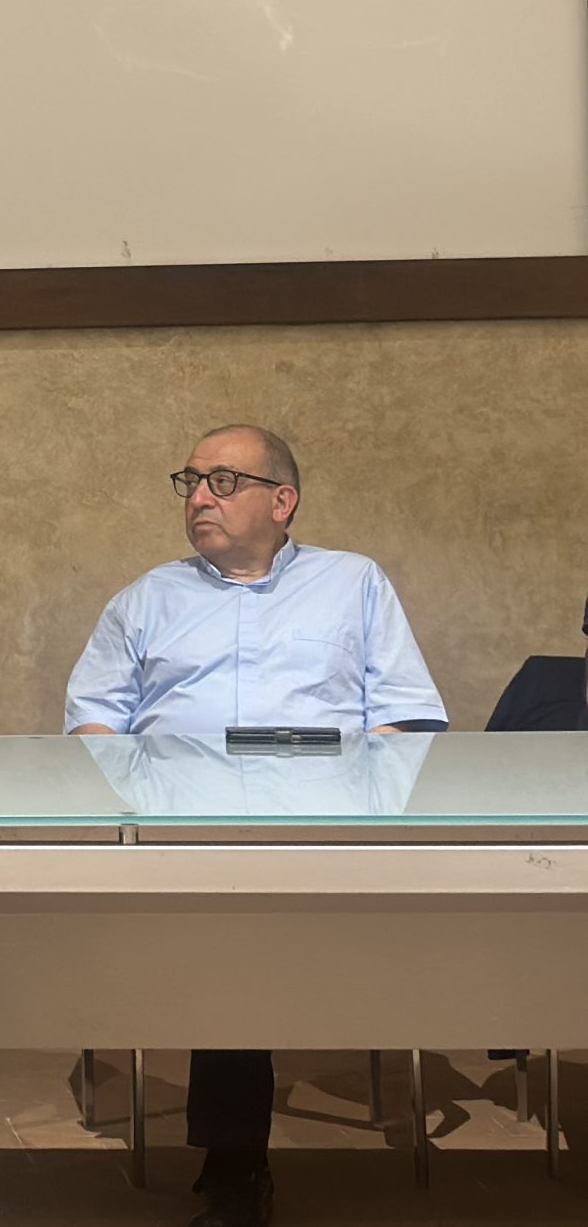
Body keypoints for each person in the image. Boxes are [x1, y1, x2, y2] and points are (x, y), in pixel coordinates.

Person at [65, 424, 447, 1227]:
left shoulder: (354, 583)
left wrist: (352, 811)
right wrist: (140, 809)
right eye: (191, 481)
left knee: (236, 941)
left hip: (324, 835)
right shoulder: (146, 599)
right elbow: (93, 724)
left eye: (223, 481)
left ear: (283, 500)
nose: (199, 498)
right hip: (183, 838)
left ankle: (235, 1164)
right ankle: (237, 1165)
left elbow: (406, 718)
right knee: (228, 937)